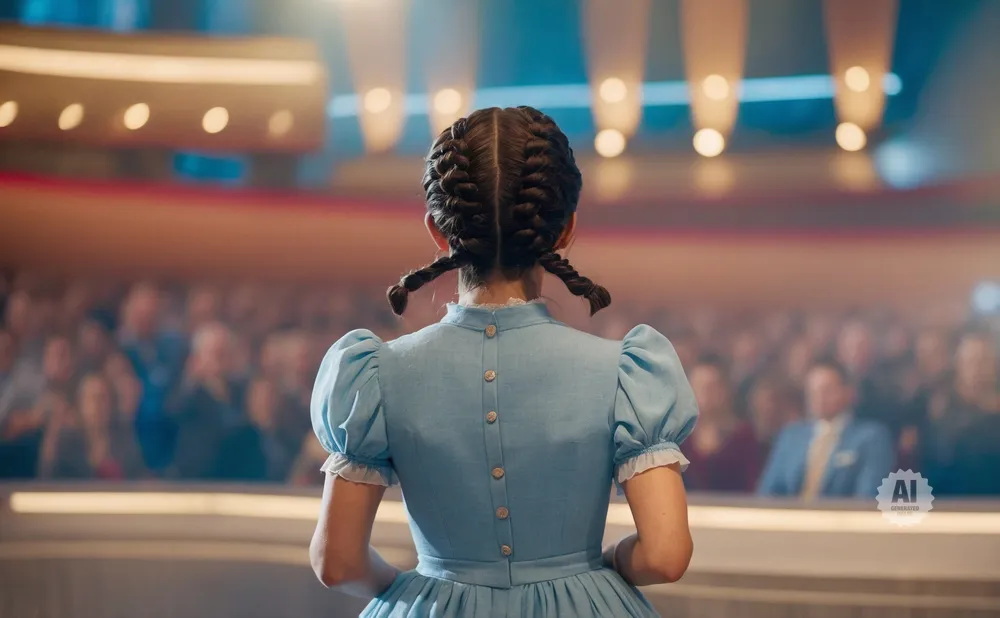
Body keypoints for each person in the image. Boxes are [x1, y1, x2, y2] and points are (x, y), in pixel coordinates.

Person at [308, 107, 698, 617]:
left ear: (438, 231)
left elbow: (337, 562)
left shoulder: (373, 374)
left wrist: (412, 587)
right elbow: (666, 555)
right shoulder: (626, 372)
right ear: (564, 231)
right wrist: (605, 567)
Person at [758, 358, 894, 500]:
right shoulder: (791, 436)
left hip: (840, 520)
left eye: (827, 390)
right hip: (788, 520)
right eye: (813, 390)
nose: (819, 397)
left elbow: (867, 497)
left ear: (848, 392)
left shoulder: (871, 438)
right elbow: (767, 494)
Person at [684, 355, 761, 493]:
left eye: (712, 387)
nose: (706, 394)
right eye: (700, 387)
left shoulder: (743, 437)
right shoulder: (677, 439)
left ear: (725, 390)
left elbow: (752, 489)